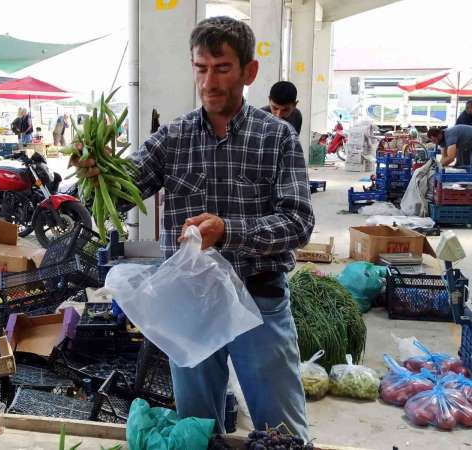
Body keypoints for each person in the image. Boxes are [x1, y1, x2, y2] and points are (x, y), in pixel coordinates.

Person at [72, 16, 313, 439]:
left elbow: (298, 222)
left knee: (282, 433)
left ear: (249, 72)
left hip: (258, 299)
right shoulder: (173, 139)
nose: (209, 82)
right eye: (201, 68)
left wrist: (229, 231)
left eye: (222, 68)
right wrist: (97, 175)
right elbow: (121, 194)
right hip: (191, 304)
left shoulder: (277, 139)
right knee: (196, 430)